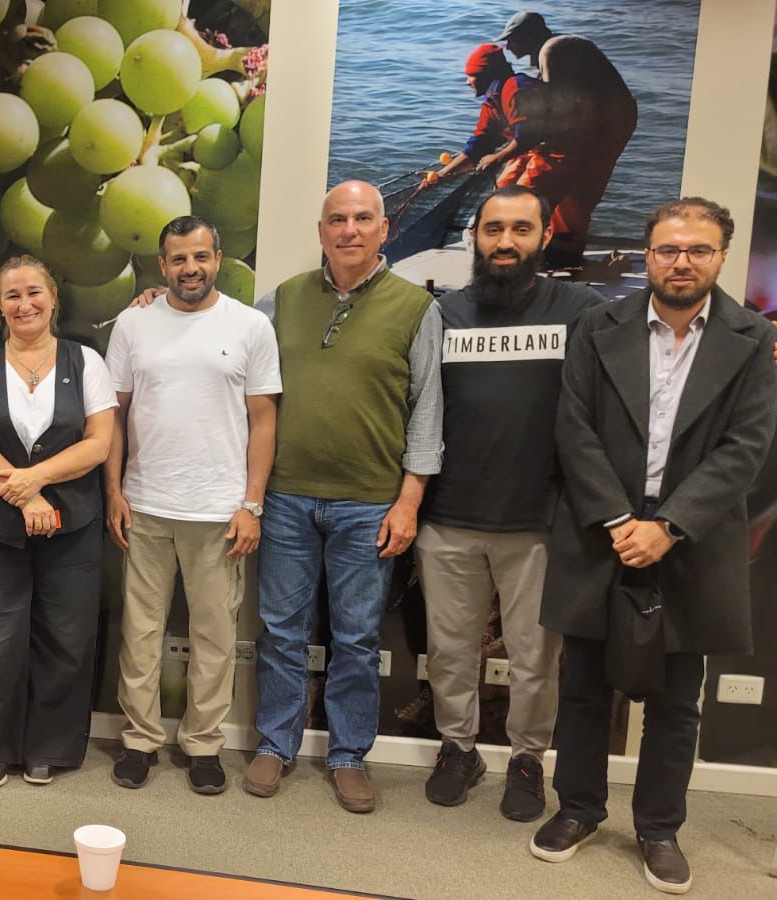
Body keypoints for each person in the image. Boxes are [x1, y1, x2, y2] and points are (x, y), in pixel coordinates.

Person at [531, 198, 777, 895]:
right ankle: (577, 810)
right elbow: (573, 427)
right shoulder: (598, 324)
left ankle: (660, 828)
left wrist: (667, 527)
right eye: (668, 249)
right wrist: (618, 519)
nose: (681, 262)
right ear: (649, 254)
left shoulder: (752, 336)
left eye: (698, 250)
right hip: (599, 530)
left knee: (677, 701)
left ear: (720, 256)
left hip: (692, 538)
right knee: (583, 686)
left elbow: (746, 447)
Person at [249, 181, 442, 813]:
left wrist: (409, 501)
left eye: (363, 218)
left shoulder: (415, 307)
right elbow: (222, 340)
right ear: (321, 231)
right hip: (285, 499)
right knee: (280, 631)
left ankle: (349, 755)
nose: (349, 229)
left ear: (384, 229)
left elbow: (428, 411)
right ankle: (274, 743)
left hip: (370, 504)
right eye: (337, 219)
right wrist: (155, 303)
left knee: (357, 639)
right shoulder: (284, 299)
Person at [415, 186, 603, 819]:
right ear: (475, 236)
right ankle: (457, 749)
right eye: (493, 229)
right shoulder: (445, 313)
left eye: (520, 229)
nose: (505, 242)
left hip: (539, 522)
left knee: (533, 659)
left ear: (544, 236)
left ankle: (527, 759)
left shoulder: (579, 309)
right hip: (448, 518)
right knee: (449, 651)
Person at [105, 216, 280, 795]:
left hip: (218, 511)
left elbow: (263, 420)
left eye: (201, 257)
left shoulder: (250, 326)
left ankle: (204, 745)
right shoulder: (133, 323)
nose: (190, 268)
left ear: (218, 259)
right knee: (139, 632)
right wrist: (113, 491)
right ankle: (139, 740)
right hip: (146, 505)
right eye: (178, 259)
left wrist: (251, 504)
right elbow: (114, 416)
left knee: (215, 636)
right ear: (162, 264)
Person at [0, 255, 115, 788]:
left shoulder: (87, 362)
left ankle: (48, 747)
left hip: (74, 523)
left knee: (65, 635)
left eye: (34, 292)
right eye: (13, 295)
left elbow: (99, 443)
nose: (25, 304)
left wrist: (36, 480)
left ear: (53, 297)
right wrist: (24, 497)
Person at [496, 10, 637, 267]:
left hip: (608, 122)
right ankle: (560, 248)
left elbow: (558, 105)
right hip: (604, 118)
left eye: (511, 39)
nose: (507, 47)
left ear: (528, 36)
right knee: (573, 181)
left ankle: (562, 252)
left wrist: (526, 138)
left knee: (580, 184)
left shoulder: (551, 51)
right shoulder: (555, 48)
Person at [425, 45, 549, 187]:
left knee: (518, 194)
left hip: (558, 150)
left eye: (471, 76)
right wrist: (441, 175)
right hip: (530, 151)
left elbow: (528, 135)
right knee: (503, 188)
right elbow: (480, 144)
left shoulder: (516, 88)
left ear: (486, 74)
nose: (467, 82)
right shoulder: (492, 102)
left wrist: (498, 158)